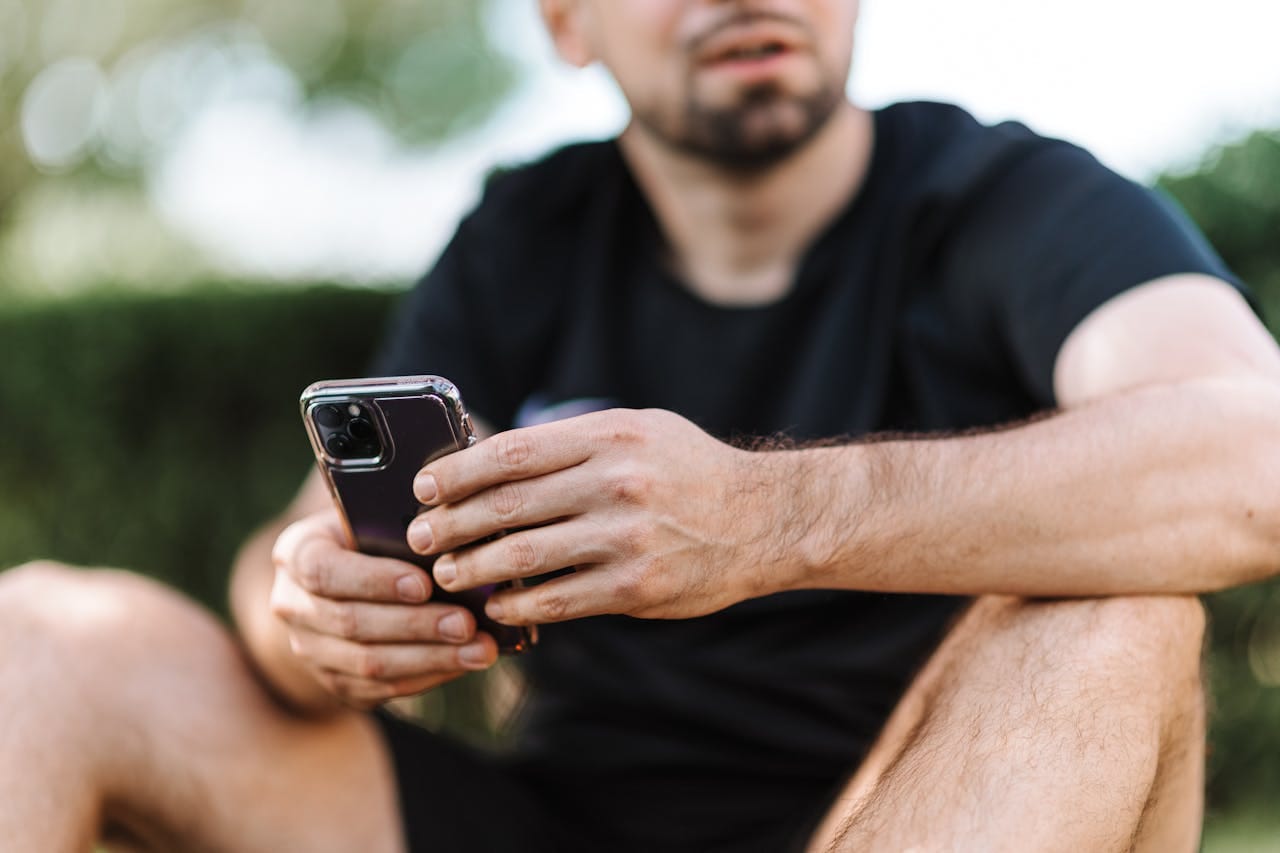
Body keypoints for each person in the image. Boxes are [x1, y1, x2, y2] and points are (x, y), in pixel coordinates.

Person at [3, 1, 1278, 850]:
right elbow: (291, 564)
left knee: (1118, 605)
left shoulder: (1008, 201)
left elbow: (1254, 458)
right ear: (566, 22)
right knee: (43, 639)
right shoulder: (526, 235)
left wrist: (774, 518)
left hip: (943, 807)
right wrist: (310, 612)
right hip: (554, 818)